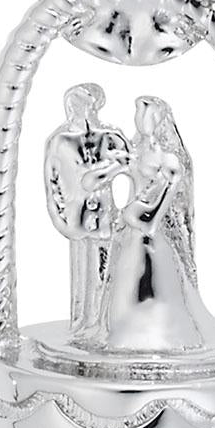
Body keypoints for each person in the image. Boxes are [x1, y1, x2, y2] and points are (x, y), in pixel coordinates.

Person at [76, 96, 215, 355]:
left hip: (151, 236)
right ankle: (119, 334)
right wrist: (110, 170)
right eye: (138, 114)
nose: (140, 120)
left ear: (158, 120)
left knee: (153, 282)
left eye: (146, 114)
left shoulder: (170, 161)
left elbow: (155, 215)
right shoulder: (136, 150)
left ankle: (159, 336)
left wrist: (138, 214)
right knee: (123, 285)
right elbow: (92, 181)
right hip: (130, 232)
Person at [43, 83, 130, 331]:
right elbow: (53, 181)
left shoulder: (110, 137)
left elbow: (131, 164)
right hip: (75, 216)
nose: (75, 109)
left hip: (104, 215)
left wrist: (109, 175)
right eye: (73, 104)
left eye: (81, 104)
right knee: (80, 271)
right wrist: (60, 216)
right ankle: (81, 322)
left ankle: (101, 322)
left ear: (94, 107)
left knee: (104, 270)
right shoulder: (60, 141)